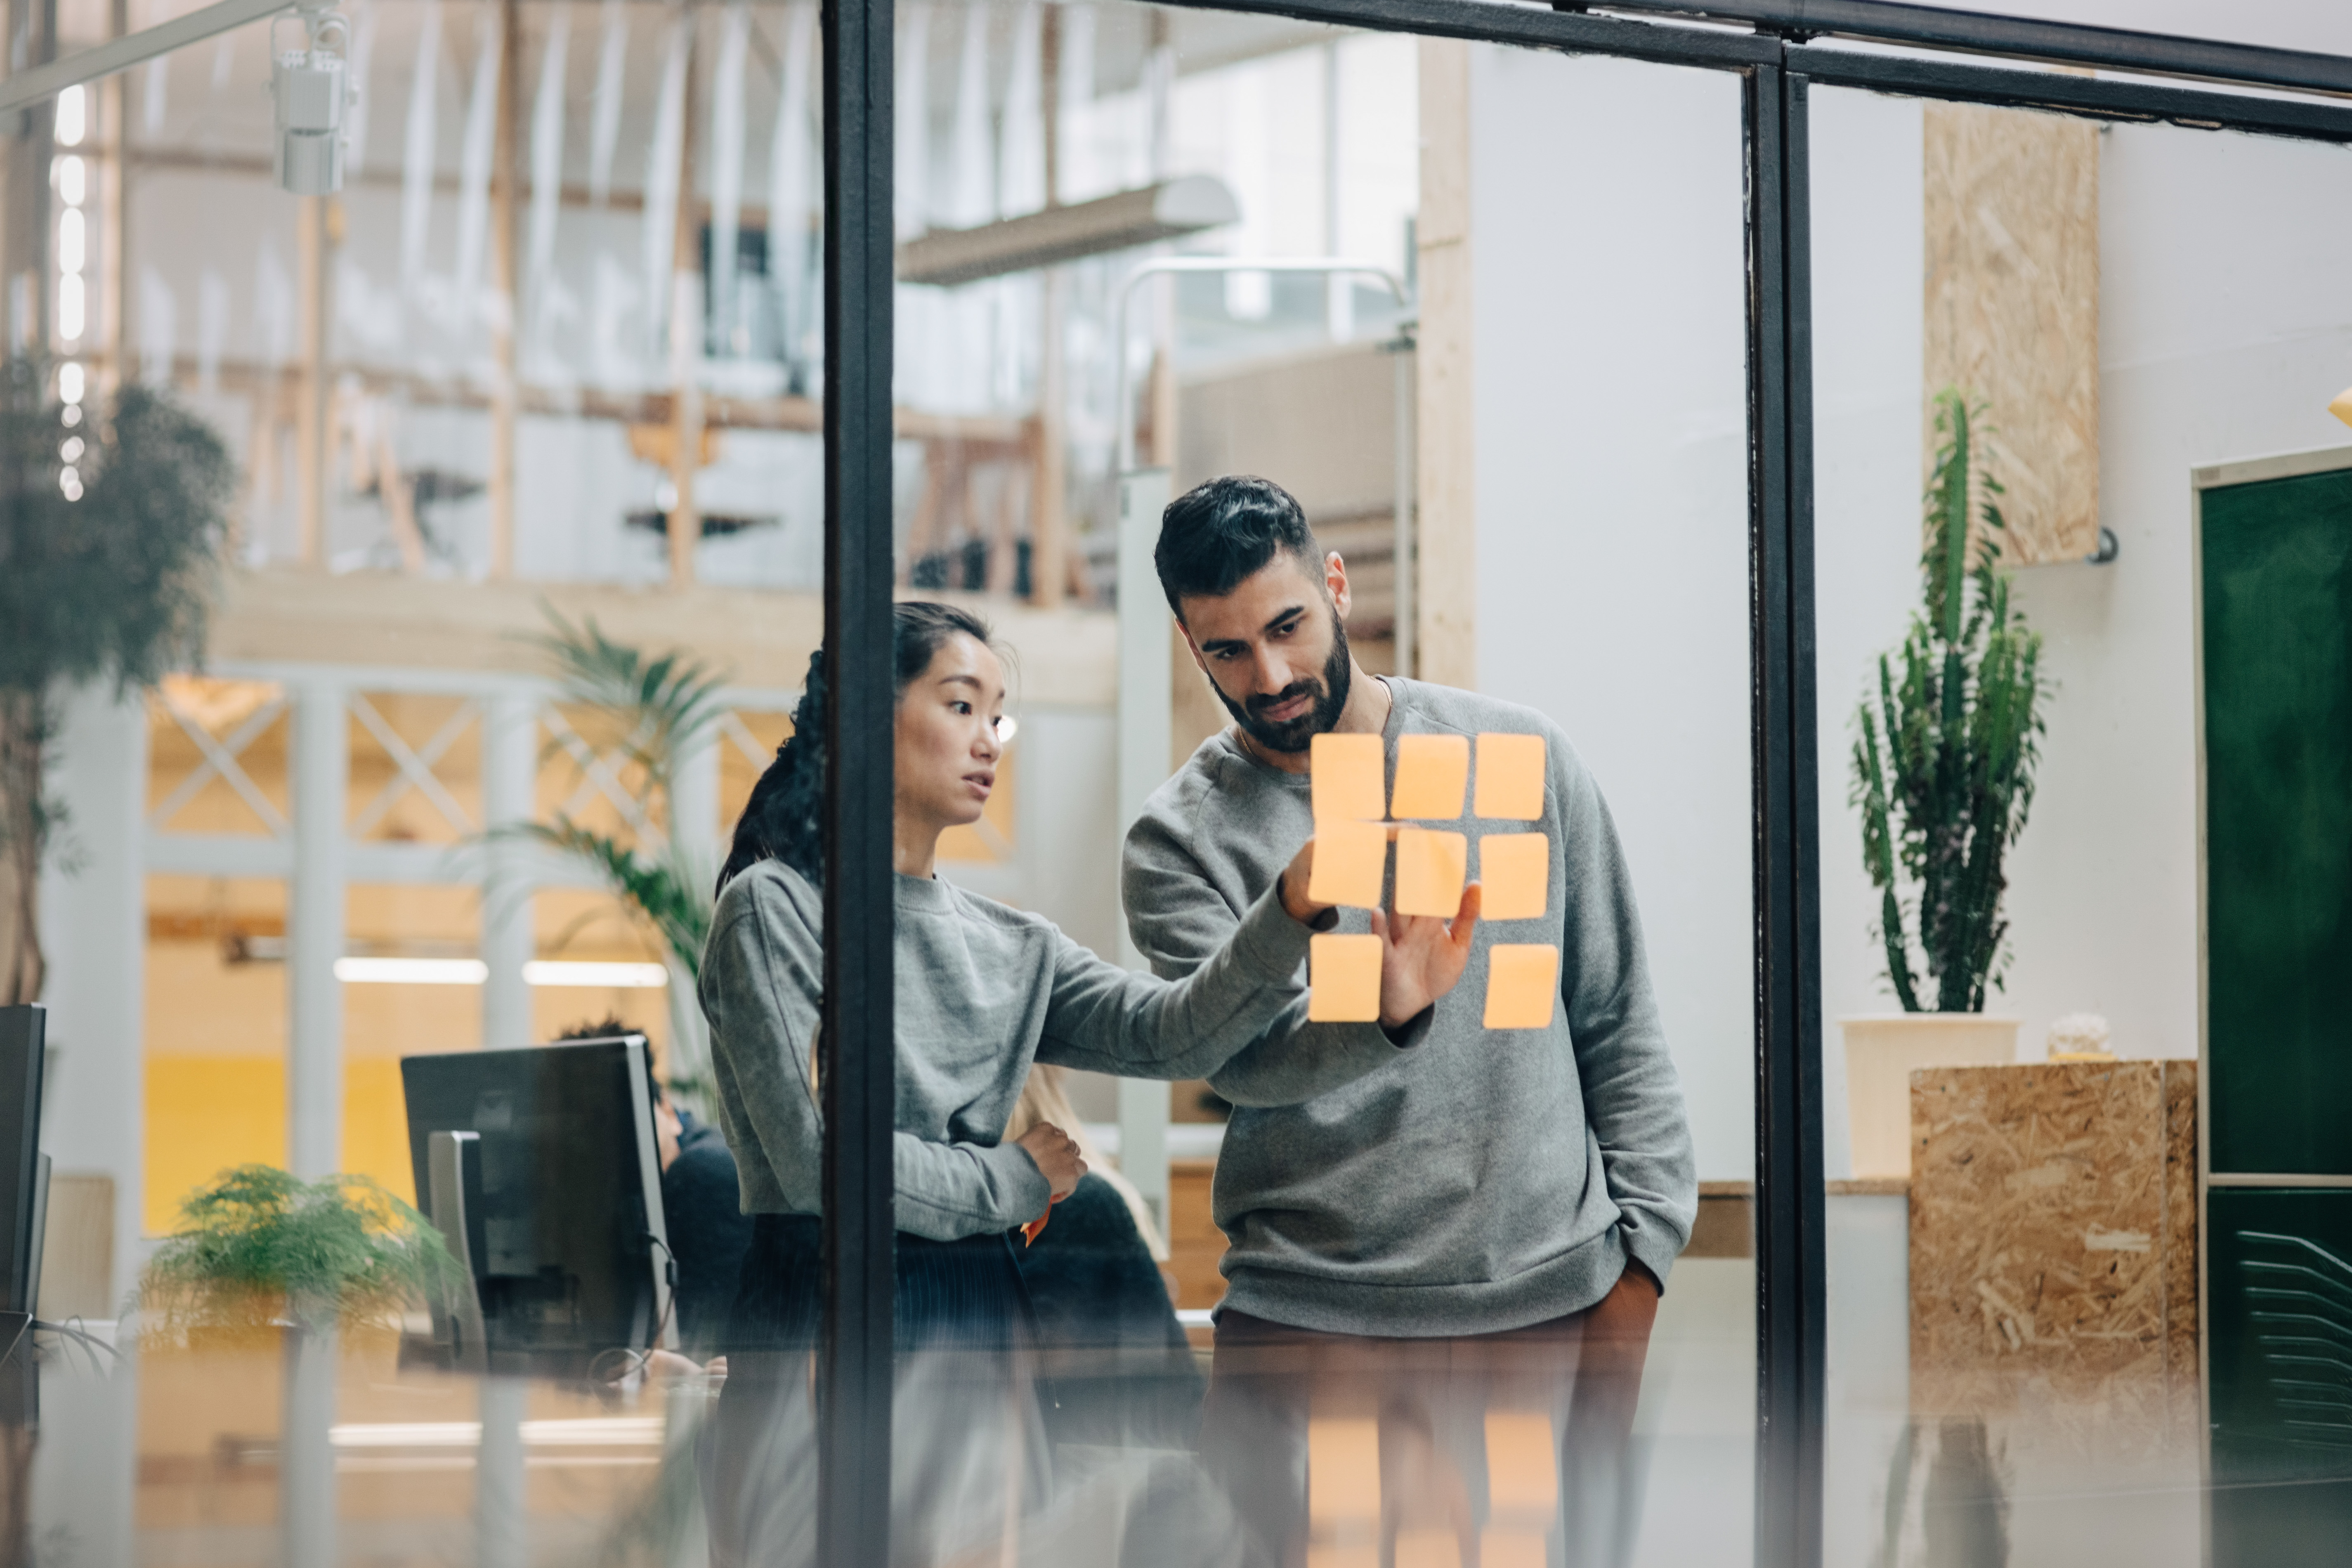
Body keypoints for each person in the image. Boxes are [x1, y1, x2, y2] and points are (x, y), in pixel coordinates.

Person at [696, 601, 1480, 1566]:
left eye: (999, 714)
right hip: (821, 1312)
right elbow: (828, 1168)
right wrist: (1017, 1179)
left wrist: (1296, 914)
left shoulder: (1009, 940)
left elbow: (1176, 1032)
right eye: (961, 705)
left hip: (980, 1313)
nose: (990, 739)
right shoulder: (772, 907)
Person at [1122, 476, 1699, 1565]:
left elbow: (1616, 1021)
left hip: (1544, 1316)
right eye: (1227, 652)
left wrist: (1637, 1280)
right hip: (1308, 1332)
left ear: (1335, 587)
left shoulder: (1517, 761)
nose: (1272, 675)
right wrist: (1383, 1015)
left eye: (1287, 626)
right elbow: (1239, 1062)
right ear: (1190, 648)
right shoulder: (1179, 842)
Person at [553, 1016, 754, 1360]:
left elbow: (696, 1347)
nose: (614, 1144)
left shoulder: (704, 1173)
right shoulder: (629, 1197)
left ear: (668, 1111)